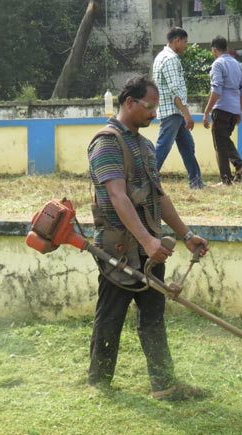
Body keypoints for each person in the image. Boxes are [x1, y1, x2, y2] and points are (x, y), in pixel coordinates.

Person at [87, 75, 210, 401]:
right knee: (110, 317)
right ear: (129, 102)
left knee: (153, 320)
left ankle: (164, 387)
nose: (154, 113)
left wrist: (186, 235)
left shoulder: (144, 146)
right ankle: (99, 386)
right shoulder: (107, 143)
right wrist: (146, 242)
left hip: (150, 249)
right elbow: (118, 197)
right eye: (150, 106)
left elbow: (159, 197)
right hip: (119, 250)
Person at [152, 27, 204, 189]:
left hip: (173, 111)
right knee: (162, 148)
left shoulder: (161, 57)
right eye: (185, 42)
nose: (186, 46)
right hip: (173, 112)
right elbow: (175, 90)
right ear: (177, 41)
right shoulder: (170, 59)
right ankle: (146, 181)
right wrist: (186, 113)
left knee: (187, 146)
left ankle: (196, 182)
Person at [203, 35, 242, 185]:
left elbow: (216, 89)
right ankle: (226, 180)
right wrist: (239, 111)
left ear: (215, 50)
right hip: (234, 109)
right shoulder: (238, 65)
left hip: (222, 108)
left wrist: (206, 111)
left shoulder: (218, 64)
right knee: (221, 144)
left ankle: (239, 164)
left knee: (221, 141)